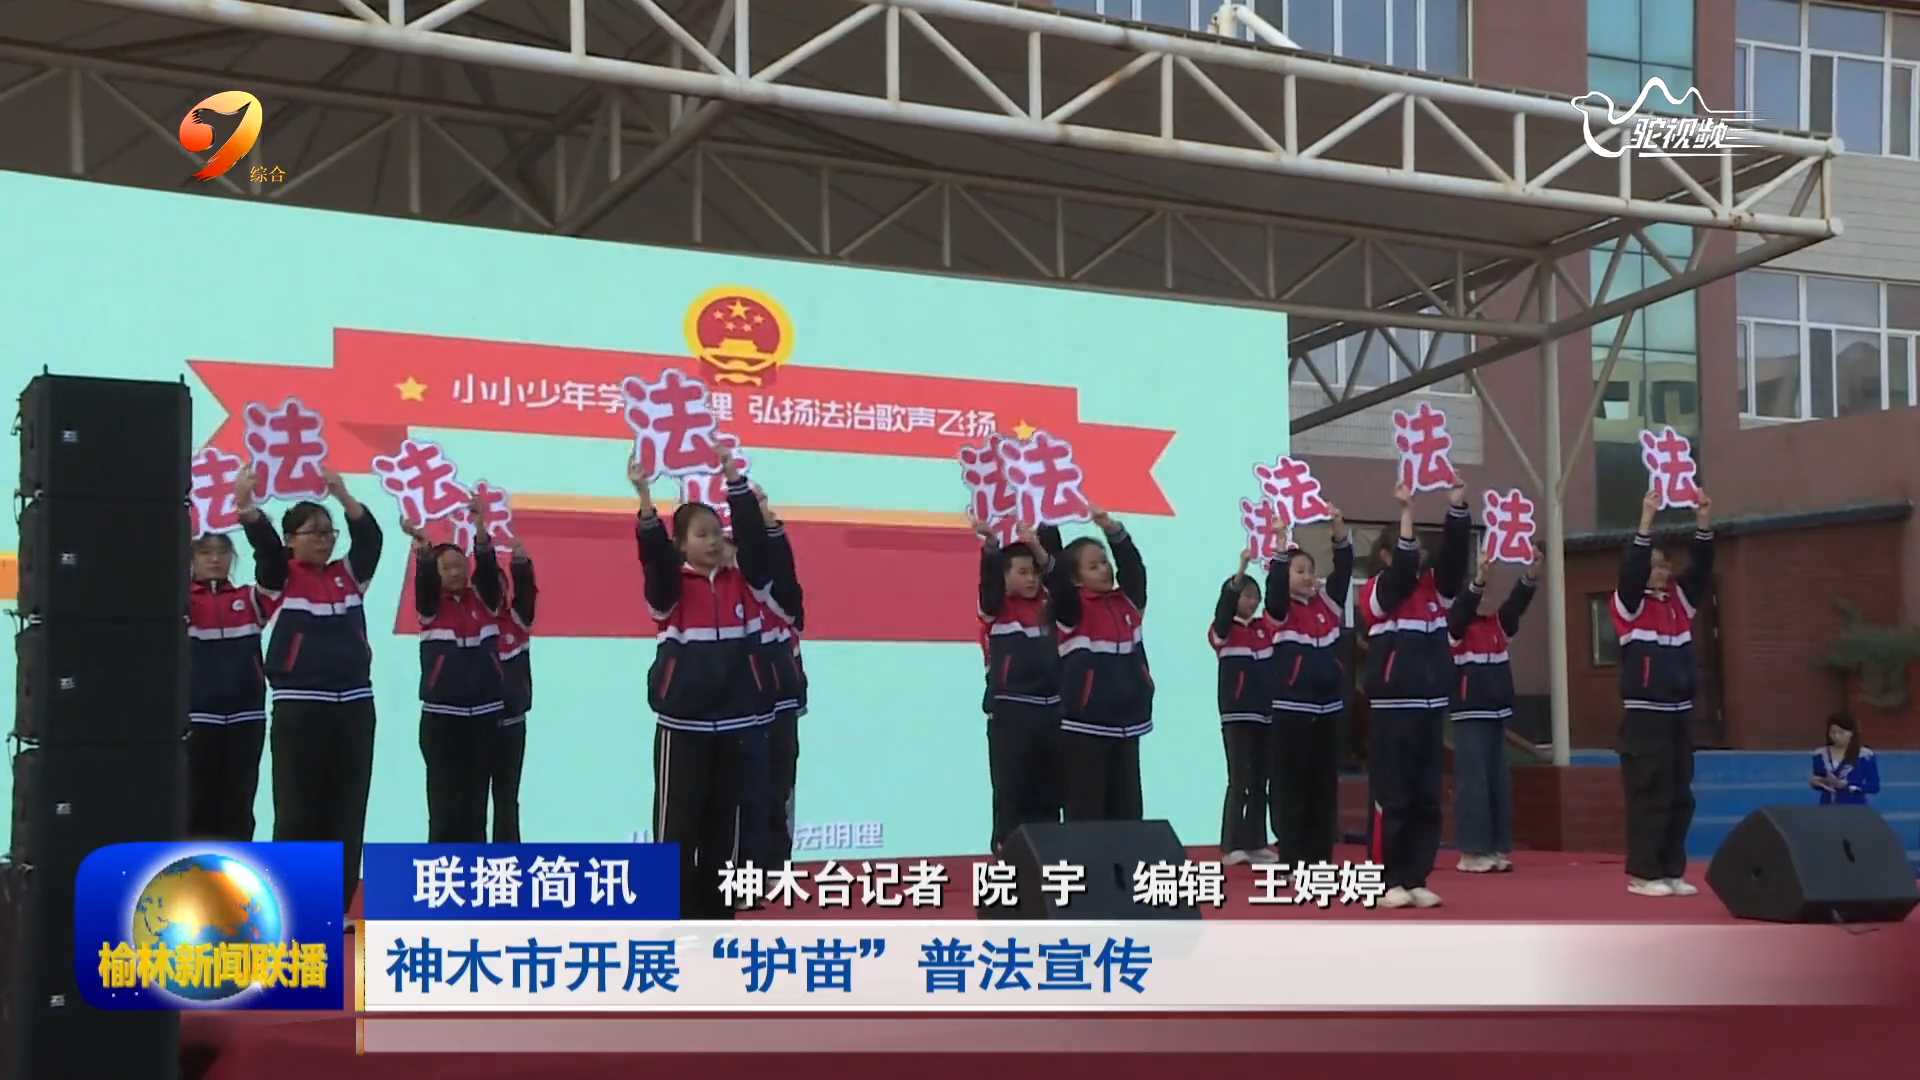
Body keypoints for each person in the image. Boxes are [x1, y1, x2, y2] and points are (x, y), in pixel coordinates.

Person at [633, 447, 773, 919]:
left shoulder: (746, 583)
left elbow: (754, 541)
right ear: (681, 545)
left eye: (717, 532)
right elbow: (653, 559)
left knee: (725, 827)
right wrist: (645, 499)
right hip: (684, 725)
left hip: (736, 722)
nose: (713, 541)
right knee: (676, 827)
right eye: (701, 534)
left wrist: (735, 481)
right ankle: (670, 917)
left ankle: (717, 921)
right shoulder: (669, 592)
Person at [236, 465, 383, 913]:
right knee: (299, 811)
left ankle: (336, 906)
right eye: (313, 532)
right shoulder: (280, 578)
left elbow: (370, 540)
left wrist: (342, 494)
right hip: (301, 709)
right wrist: (247, 508)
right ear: (291, 540)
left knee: (348, 810)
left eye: (328, 532)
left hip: (355, 706)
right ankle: (292, 906)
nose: (323, 540)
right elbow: (265, 549)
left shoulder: (349, 576)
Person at [1357, 479, 1470, 909]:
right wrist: (1406, 511)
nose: (1419, 553)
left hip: (1429, 708)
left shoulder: (1434, 593)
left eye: (1421, 547)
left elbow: (1455, 561)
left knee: (1426, 797)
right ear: (1386, 555)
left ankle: (1415, 875)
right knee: (1393, 795)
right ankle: (1385, 880)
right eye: (1409, 546)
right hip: (1393, 709)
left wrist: (1457, 509)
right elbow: (1403, 573)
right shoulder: (1376, 592)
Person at [1612, 486, 1714, 898]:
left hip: (1678, 713)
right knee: (1649, 794)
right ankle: (1644, 873)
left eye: (1663, 566)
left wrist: (1702, 521)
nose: (1659, 572)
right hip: (1644, 716)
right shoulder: (1628, 606)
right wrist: (1646, 518)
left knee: (1679, 795)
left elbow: (1702, 568)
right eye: (1653, 566)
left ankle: (1672, 870)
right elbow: (1632, 570)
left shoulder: (1680, 603)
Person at [405, 493, 507, 844]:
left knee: (476, 808)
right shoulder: (430, 607)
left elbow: (489, 572)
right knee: (444, 807)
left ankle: (474, 869)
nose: (456, 571)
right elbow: (423, 582)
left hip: (485, 717)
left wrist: (480, 527)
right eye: (446, 567)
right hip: (442, 719)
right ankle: (440, 869)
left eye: (460, 565)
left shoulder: (486, 601)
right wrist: (422, 552)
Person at [1044, 508, 1152, 822]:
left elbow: (1133, 569)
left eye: (1105, 562)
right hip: (1084, 726)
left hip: (1127, 722)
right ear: (1075, 578)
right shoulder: (1071, 610)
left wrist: (1113, 531)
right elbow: (1056, 577)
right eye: (1093, 566)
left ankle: (1126, 858)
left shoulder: (1128, 603)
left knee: (1128, 812)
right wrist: (1044, 523)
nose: (1104, 570)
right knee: (1086, 812)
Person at [1266, 508, 1353, 872]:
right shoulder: (1279, 611)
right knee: (1292, 786)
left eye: (1309, 570)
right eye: (1298, 571)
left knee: (1323, 787)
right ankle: (1291, 857)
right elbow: (1273, 589)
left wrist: (1339, 530)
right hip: (1291, 710)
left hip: (1328, 710)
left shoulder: (1328, 605)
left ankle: (1319, 860)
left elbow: (1344, 570)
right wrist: (1279, 544)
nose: (1306, 577)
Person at [1446, 543, 1540, 874]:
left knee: (1498, 783)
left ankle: (1496, 847)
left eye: (1487, 594)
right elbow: (1461, 611)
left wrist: (1531, 574)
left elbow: (1517, 604)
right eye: (1478, 594)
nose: (1484, 599)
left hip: (1497, 714)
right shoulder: (1456, 629)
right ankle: (1472, 852)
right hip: (1469, 714)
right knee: (1474, 783)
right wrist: (1479, 579)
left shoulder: (1499, 626)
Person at [975, 516, 1062, 854]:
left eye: (1034, 572)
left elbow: (1058, 571)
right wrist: (991, 548)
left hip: (1052, 713)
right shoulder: (996, 608)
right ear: (1004, 577)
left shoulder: (1051, 606)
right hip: (1011, 714)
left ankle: (1050, 859)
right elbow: (988, 583)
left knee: (1049, 793)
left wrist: (1044, 528)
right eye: (1022, 572)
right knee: (1012, 791)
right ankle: (1008, 856)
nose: (1031, 579)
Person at [186, 531, 269, 841]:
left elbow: (274, 567)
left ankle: (239, 867)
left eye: (222, 553)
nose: (215, 559)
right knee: (197, 802)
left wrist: (253, 520)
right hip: (198, 715)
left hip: (246, 716)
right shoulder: (181, 603)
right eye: (205, 553)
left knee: (239, 803)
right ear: (191, 559)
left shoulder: (249, 599)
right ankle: (191, 866)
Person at [1210, 548, 1277, 865]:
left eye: (1255, 596)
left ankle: (1256, 842)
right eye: (1246, 596)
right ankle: (1231, 844)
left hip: (1265, 714)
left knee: (1261, 779)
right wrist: (1241, 569)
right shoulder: (1222, 630)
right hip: (1237, 714)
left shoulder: (1265, 629)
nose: (1252, 601)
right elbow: (1223, 611)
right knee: (1239, 779)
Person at [761, 492, 809, 867]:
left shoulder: (784, 598)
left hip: (781, 704)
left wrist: (770, 525)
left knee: (779, 787)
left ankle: (776, 865)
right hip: (737, 709)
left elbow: (785, 575)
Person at [490, 538, 537, 842]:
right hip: (478, 724)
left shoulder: (517, 620)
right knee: (473, 797)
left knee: (506, 799)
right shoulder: (474, 623)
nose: (495, 593)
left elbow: (527, 594)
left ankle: (507, 859)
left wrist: (520, 564)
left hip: (512, 725)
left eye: (500, 586)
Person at [1812, 714, 1879, 806]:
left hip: (1855, 808)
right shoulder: (1820, 754)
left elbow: (1874, 787)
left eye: (1841, 732)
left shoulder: (1865, 755)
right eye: (1833, 732)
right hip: (1827, 807)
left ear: (1852, 733)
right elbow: (1820, 782)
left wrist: (1848, 786)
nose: (1836, 736)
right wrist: (1815, 783)